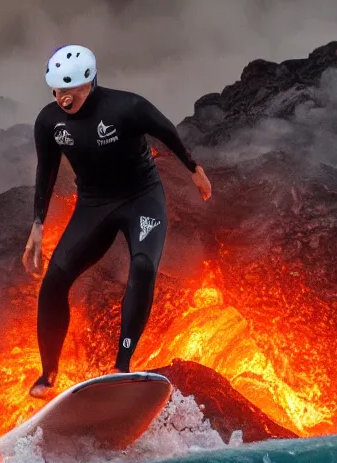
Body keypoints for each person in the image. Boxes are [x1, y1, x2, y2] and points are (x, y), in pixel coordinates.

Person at [22, 44, 213, 398]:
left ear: (90, 82)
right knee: (53, 282)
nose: (64, 98)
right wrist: (37, 225)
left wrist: (195, 170)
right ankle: (48, 375)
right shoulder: (49, 121)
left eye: (72, 90)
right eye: (58, 91)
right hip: (94, 204)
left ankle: (121, 365)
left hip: (142, 197)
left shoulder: (127, 107)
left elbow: (167, 131)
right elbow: (46, 171)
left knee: (142, 266)